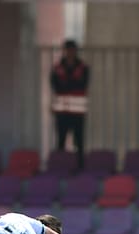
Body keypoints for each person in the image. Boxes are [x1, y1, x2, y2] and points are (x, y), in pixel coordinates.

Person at [50, 39, 89, 167]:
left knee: (79, 142)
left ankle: (80, 168)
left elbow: (83, 85)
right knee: (60, 141)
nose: (70, 53)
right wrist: (72, 82)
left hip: (77, 112)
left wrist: (66, 83)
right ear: (64, 51)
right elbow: (56, 86)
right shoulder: (57, 67)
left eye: (72, 50)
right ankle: (61, 167)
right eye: (68, 50)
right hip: (62, 112)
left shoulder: (83, 67)